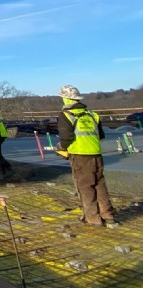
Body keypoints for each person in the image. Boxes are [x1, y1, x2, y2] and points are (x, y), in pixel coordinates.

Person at [56, 85, 115, 226]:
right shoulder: (92, 114)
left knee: (85, 187)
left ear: (65, 98)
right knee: (99, 184)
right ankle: (107, 215)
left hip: (80, 156)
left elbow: (66, 138)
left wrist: (60, 148)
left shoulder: (65, 115)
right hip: (96, 153)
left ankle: (92, 218)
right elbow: (100, 135)